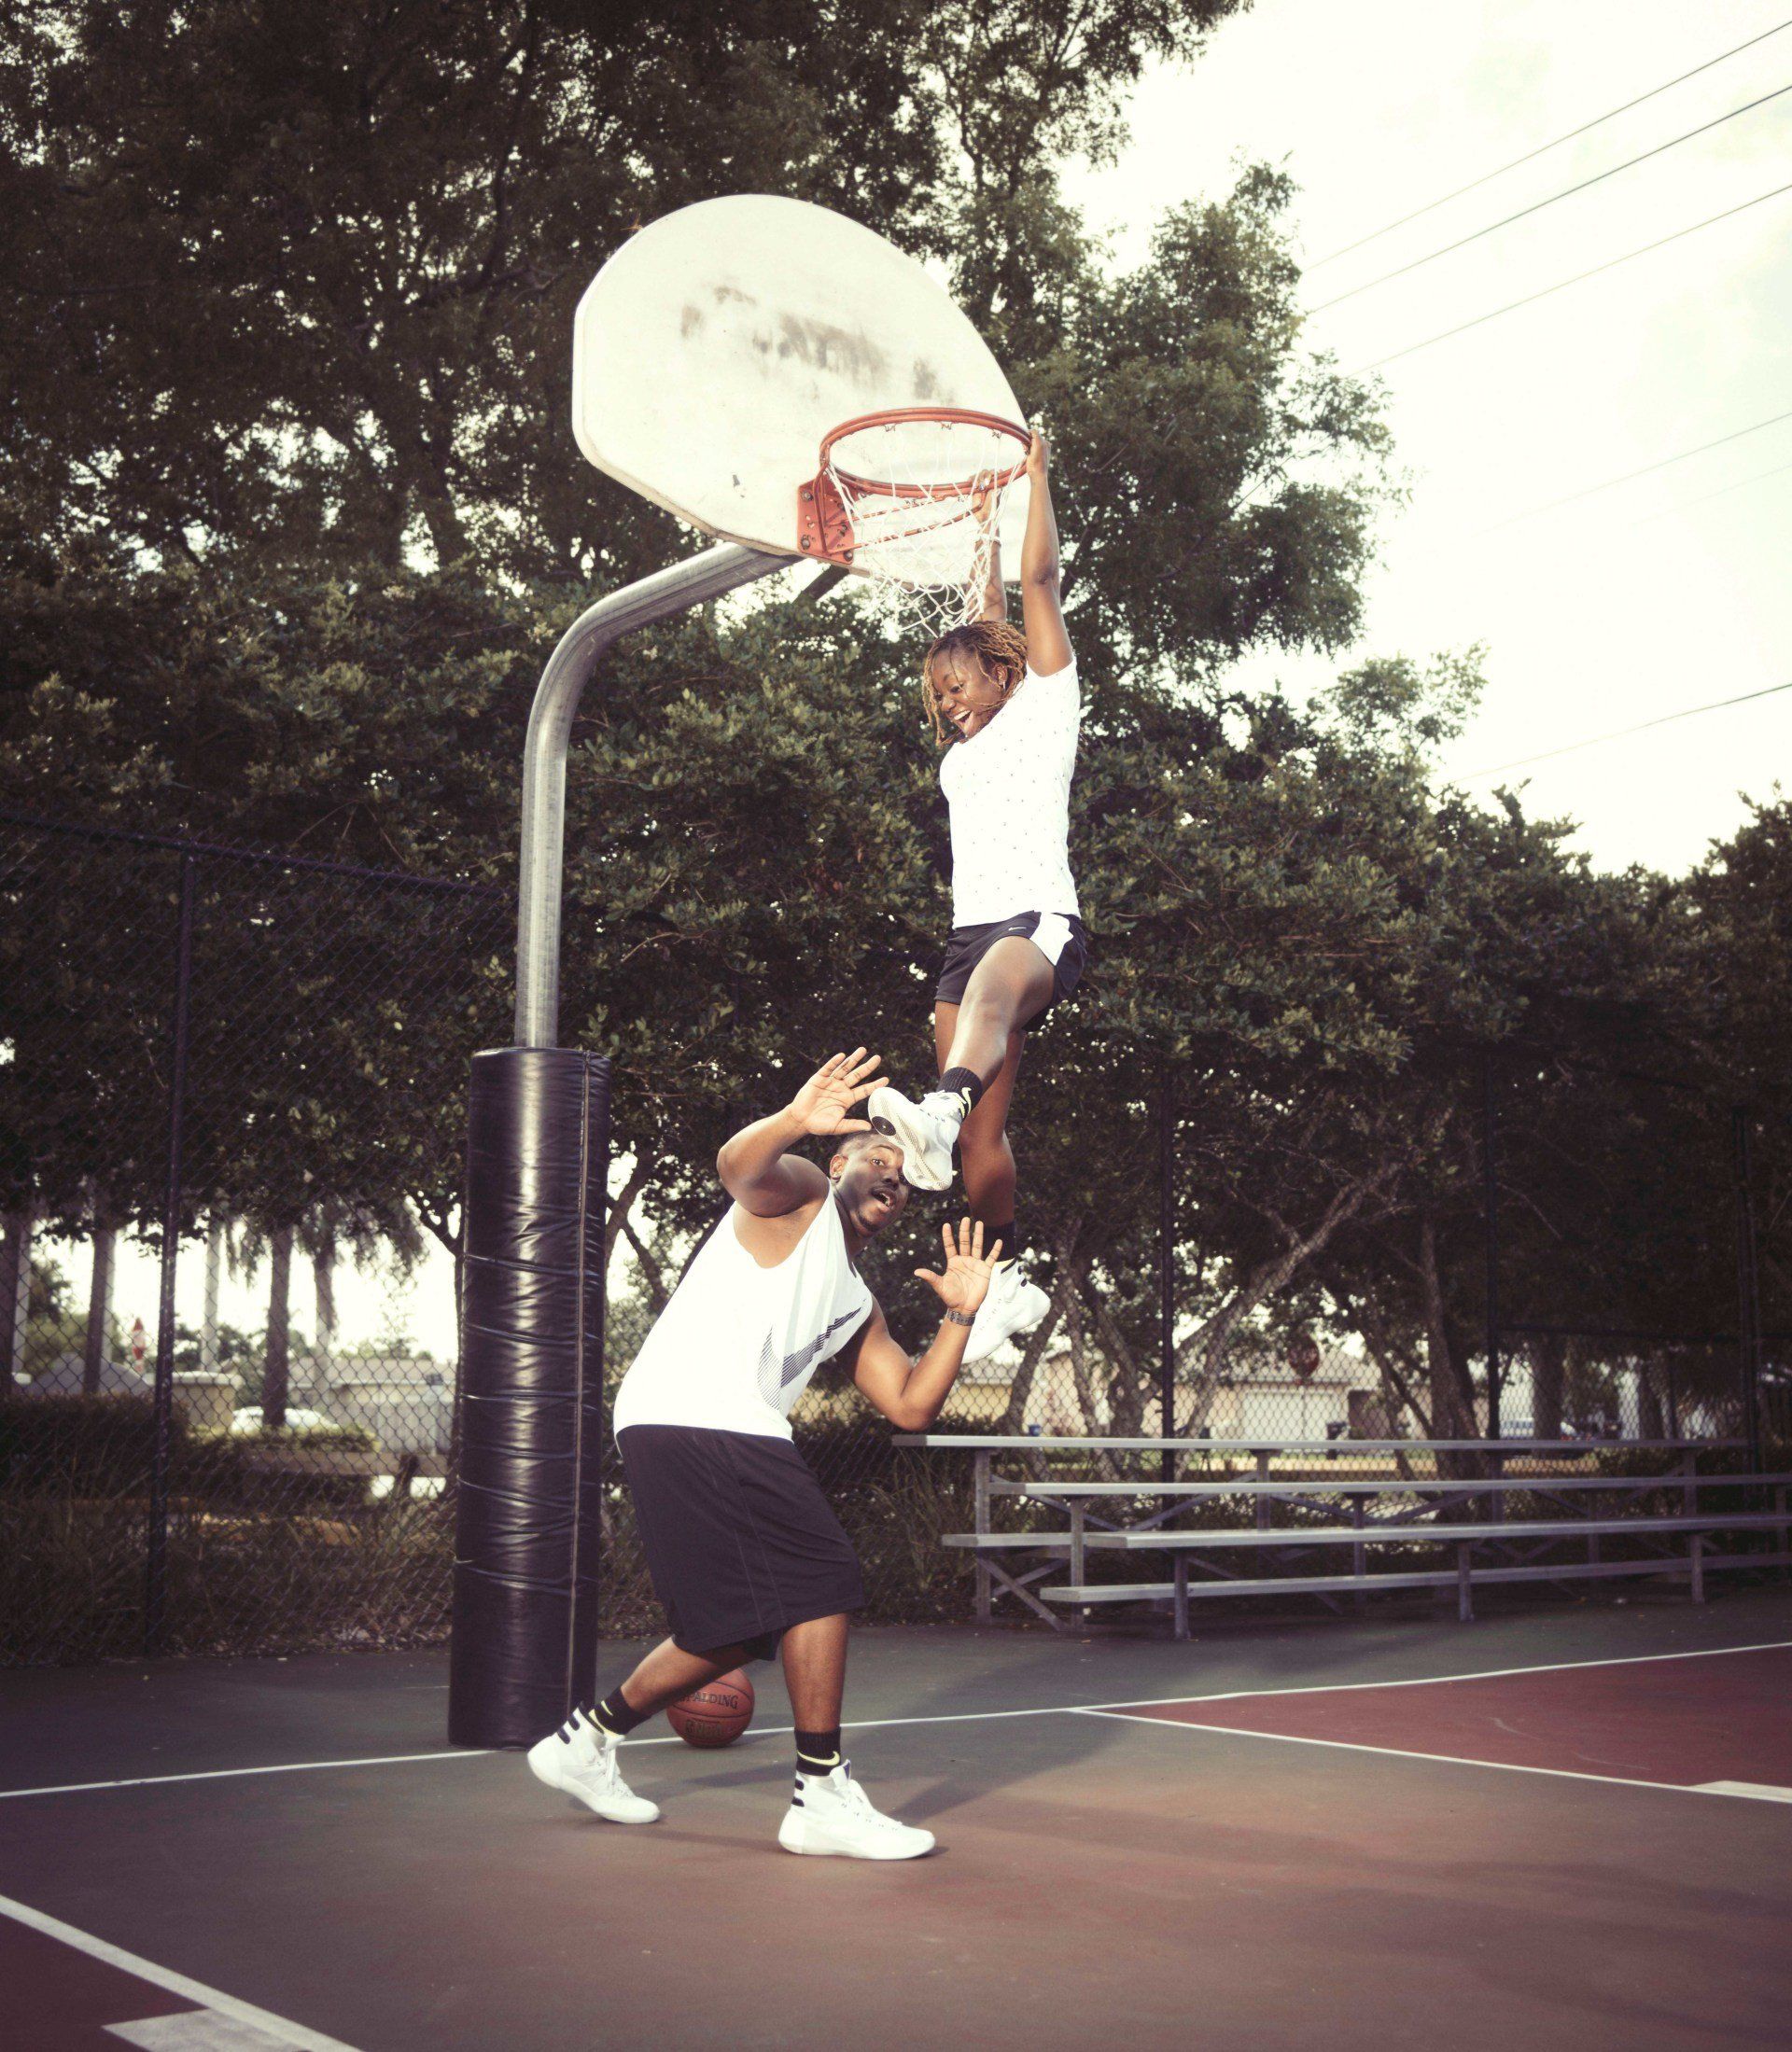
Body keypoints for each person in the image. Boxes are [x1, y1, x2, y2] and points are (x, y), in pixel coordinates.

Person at [525, 1048, 1001, 1862]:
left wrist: (960, 1317)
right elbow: (738, 1167)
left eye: (902, 1169)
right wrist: (793, 1119)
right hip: (699, 1409)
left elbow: (912, 1405)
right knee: (821, 1578)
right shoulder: (804, 1198)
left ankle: (584, 1740)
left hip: (693, 1420)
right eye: (876, 1156)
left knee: (734, 1628)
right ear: (838, 1160)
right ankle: (819, 1791)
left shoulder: (856, 1299)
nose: (891, 1172)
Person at [867, 426, 1086, 1363]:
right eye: (938, 695)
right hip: (966, 937)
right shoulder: (970, 746)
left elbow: (1034, 590)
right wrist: (981, 512)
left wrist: (1034, 480)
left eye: (959, 686)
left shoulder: (1046, 701)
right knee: (980, 1155)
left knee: (986, 1012)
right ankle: (996, 1281)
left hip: (1037, 926)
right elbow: (986, 598)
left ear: (1002, 672)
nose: (949, 702)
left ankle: (943, 1100)